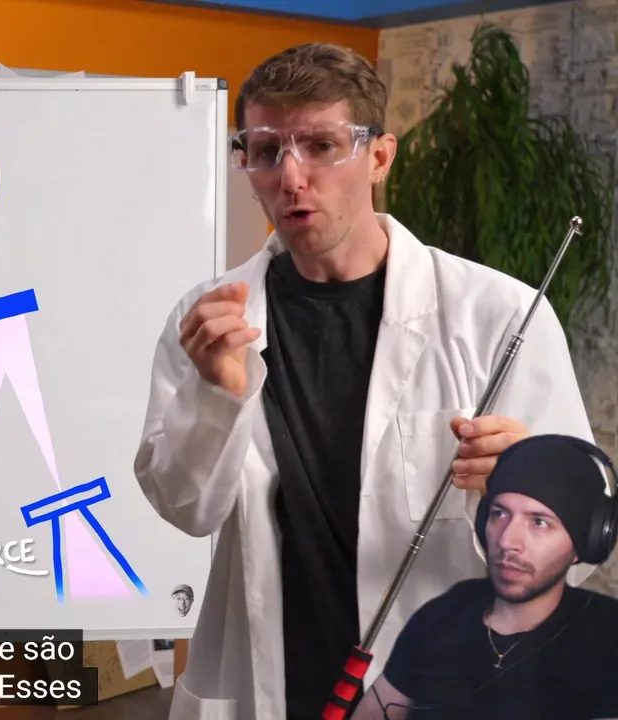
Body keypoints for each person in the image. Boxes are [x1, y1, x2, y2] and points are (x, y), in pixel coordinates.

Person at [132, 42, 597, 720]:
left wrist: (529, 494)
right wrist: (215, 399)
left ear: (379, 157)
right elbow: (185, 509)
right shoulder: (212, 319)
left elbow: (579, 553)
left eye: (322, 146)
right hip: (270, 691)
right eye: (265, 151)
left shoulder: (498, 315)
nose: (291, 177)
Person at [351, 434, 618, 720]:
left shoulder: (607, 635)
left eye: (539, 522)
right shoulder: (441, 615)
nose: (507, 541)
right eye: (499, 514)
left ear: (584, 544)